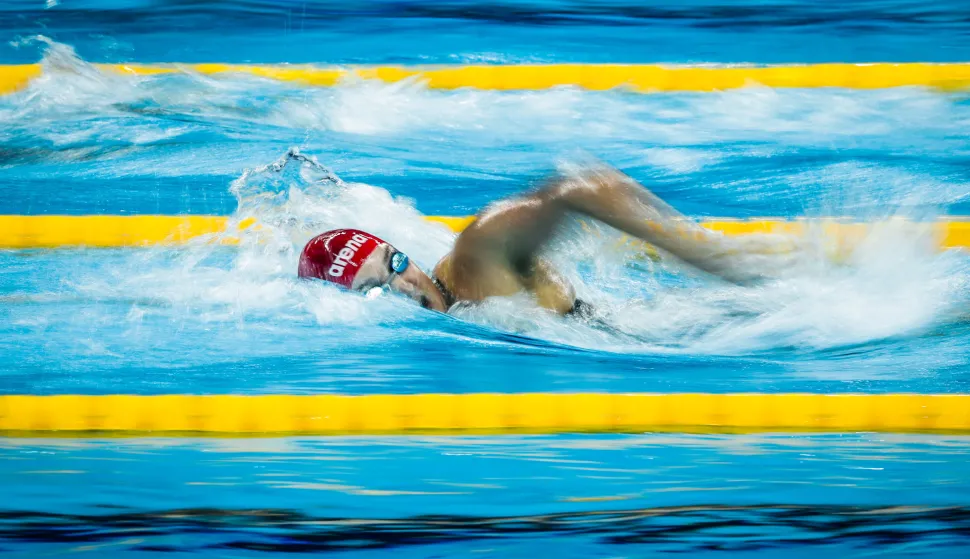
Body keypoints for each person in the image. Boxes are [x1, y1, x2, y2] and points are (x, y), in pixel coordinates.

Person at [298, 164, 793, 315]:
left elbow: (580, 188)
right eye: (376, 289)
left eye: (396, 262)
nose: (406, 285)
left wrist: (703, 253)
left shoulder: (477, 254)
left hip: (686, 327)